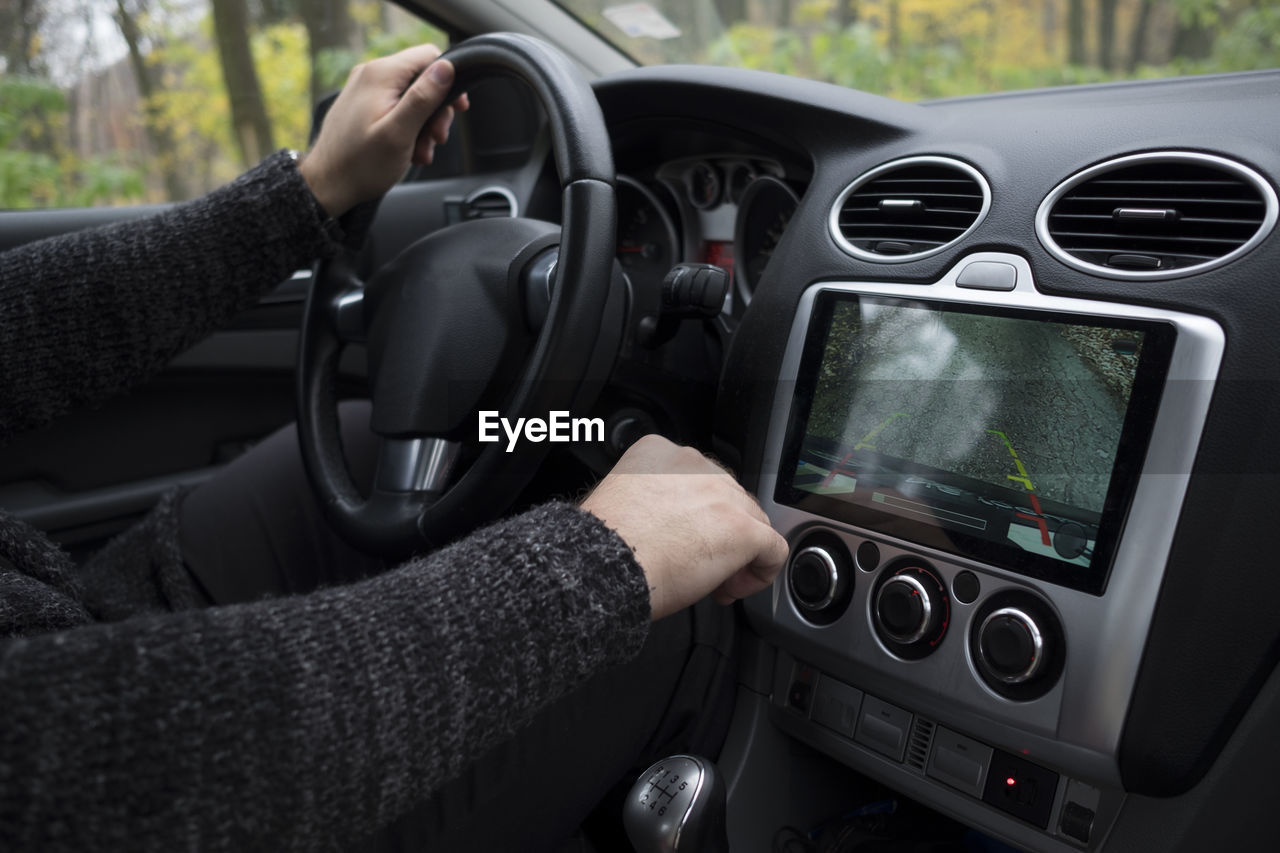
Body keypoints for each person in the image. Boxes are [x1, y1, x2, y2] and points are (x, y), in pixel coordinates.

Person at [0, 43, 789, 851]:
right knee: (684, 620)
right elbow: (140, 762)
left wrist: (314, 188)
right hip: (145, 785)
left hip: (79, 628)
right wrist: (601, 558)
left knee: (369, 444)